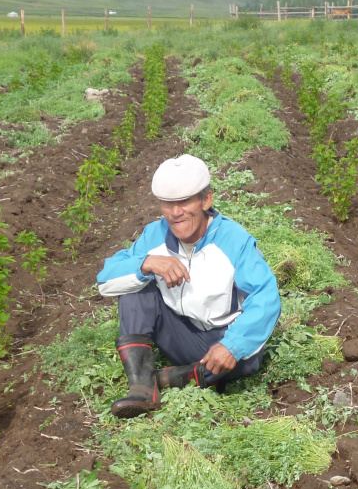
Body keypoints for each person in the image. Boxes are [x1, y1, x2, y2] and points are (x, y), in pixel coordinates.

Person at [97, 154, 282, 418]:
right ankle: (141, 386)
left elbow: (266, 296)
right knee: (135, 285)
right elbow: (105, 280)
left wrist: (232, 345)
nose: (175, 213)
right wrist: (146, 263)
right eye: (168, 203)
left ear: (206, 200)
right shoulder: (154, 235)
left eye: (184, 202)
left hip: (220, 337)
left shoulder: (233, 240)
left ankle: (163, 378)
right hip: (177, 333)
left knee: (247, 360)